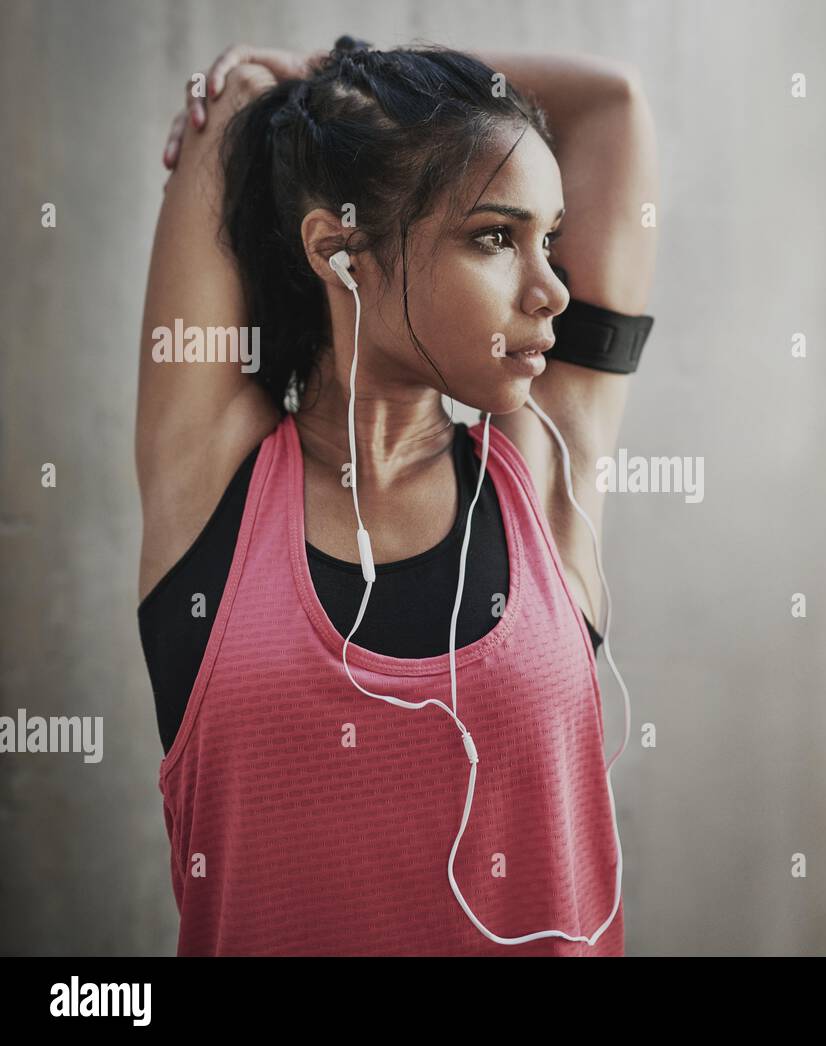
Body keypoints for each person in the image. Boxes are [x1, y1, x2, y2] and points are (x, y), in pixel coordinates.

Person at [134, 36, 657, 956]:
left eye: (552, 241)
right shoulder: (213, 482)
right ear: (341, 251)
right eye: (496, 237)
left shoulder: (544, 469)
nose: (550, 292)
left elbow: (611, 106)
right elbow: (238, 101)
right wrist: (296, 96)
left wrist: (329, 69)